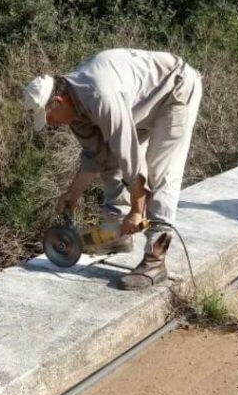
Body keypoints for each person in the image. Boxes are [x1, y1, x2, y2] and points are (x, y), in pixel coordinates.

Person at [23, 49, 202, 290]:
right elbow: (96, 156)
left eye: (50, 118)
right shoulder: (74, 109)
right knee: (112, 160)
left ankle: (155, 260)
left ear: (57, 101)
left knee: (160, 173)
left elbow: (129, 155)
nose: (52, 125)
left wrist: (138, 212)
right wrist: (72, 195)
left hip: (174, 89)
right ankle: (117, 235)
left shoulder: (100, 95)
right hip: (141, 101)